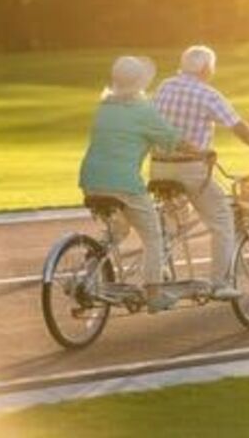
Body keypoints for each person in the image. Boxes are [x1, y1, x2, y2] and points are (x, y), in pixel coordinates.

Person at [150, 45, 249, 300]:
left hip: (158, 167)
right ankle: (220, 283)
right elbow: (237, 125)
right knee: (222, 219)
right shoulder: (207, 94)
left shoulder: (165, 86)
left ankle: (159, 266)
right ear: (207, 69)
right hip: (190, 169)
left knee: (173, 218)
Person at [79, 55, 194, 313]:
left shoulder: (104, 106)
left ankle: (88, 273)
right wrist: (201, 152)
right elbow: (173, 138)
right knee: (153, 235)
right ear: (141, 83)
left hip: (91, 180)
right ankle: (154, 293)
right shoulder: (143, 110)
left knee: (118, 231)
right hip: (123, 184)